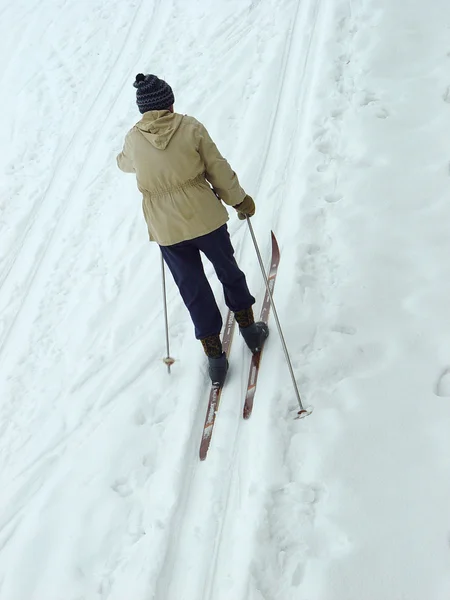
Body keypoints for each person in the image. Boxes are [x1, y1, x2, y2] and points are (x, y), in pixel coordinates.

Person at [116, 73, 268, 386]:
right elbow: (218, 169)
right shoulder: (190, 127)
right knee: (228, 270)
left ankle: (215, 357)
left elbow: (124, 164)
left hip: (167, 231)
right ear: (169, 102)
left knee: (192, 287)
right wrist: (240, 201)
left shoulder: (133, 138)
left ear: (143, 110)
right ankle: (250, 331)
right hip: (206, 219)